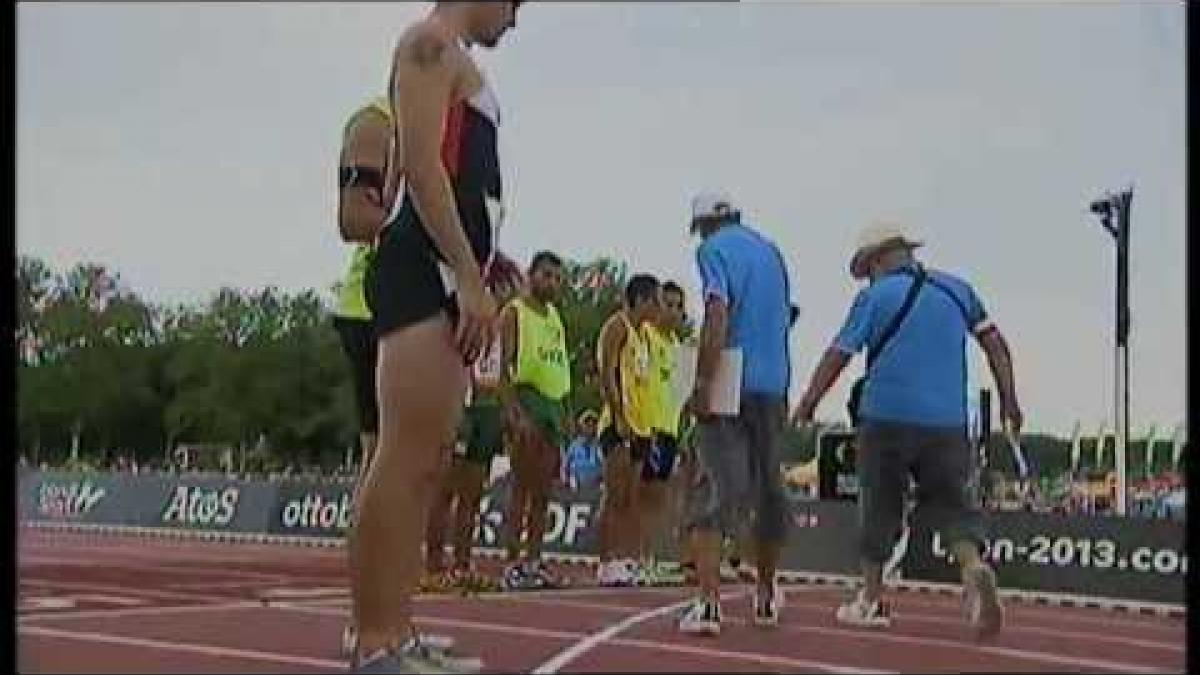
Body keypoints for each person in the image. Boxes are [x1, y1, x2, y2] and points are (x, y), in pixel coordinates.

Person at [354, 2, 524, 672]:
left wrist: (483, 262)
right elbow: (422, 171)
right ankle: (374, 641)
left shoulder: (452, 60)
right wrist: (463, 272)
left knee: (423, 464)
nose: (514, 20)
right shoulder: (429, 44)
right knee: (402, 457)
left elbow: (454, 178)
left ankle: (396, 631)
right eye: (515, 3)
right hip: (424, 270)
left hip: (446, 269)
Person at [791, 222, 1021, 640]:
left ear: (877, 260)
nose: (867, 277)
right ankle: (973, 568)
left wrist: (808, 403)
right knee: (955, 507)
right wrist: (1009, 401)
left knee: (879, 506)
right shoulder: (958, 291)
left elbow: (837, 355)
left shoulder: (873, 298)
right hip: (949, 423)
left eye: (866, 269)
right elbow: (997, 346)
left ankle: (872, 599)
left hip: (887, 418)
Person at [679, 191, 792, 635]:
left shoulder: (713, 251)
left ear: (704, 226)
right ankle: (764, 597)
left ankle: (708, 604)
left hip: (730, 375)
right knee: (767, 490)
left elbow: (716, 310)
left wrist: (703, 381)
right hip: (774, 380)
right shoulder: (771, 252)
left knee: (714, 489)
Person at [333, 94, 396, 660]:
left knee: (410, 467)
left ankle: (389, 622)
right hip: (371, 311)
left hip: (409, 312)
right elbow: (353, 219)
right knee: (381, 463)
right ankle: (367, 624)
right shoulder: (378, 121)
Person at [423, 253, 523, 592]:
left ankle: (463, 564)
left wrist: (505, 408)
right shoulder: (464, 307)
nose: (509, 297)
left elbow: (499, 369)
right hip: (463, 407)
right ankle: (433, 565)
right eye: (506, 288)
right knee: (446, 489)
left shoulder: (498, 322)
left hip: (488, 409)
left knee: (473, 493)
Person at [497, 251, 572, 591]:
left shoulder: (555, 316)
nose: (551, 283)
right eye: (545, 275)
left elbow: (559, 366)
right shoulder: (514, 312)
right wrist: (513, 411)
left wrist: (565, 411)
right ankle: (512, 561)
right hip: (527, 399)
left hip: (553, 405)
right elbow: (503, 365)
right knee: (522, 488)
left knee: (544, 492)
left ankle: (534, 560)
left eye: (557, 278)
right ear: (531, 275)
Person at [594, 274, 662, 587]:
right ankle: (606, 561)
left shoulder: (645, 335)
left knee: (632, 497)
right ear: (643, 300)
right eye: (656, 300)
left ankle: (625, 558)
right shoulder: (617, 326)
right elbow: (607, 372)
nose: (659, 307)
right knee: (615, 494)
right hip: (618, 422)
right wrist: (618, 414)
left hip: (641, 425)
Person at [636, 280, 687, 585]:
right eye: (668, 304)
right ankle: (636, 557)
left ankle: (650, 558)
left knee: (659, 498)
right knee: (641, 495)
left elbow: (680, 393)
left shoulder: (679, 349)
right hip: (648, 426)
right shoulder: (646, 336)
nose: (674, 312)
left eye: (679, 306)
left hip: (669, 429)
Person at [563, 410, 604, 491]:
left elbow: (603, 463)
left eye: (593, 425)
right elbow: (566, 464)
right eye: (587, 425)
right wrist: (566, 479)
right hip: (576, 483)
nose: (590, 428)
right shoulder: (574, 445)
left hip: (595, 484)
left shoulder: (598, 444)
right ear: (582, 426)